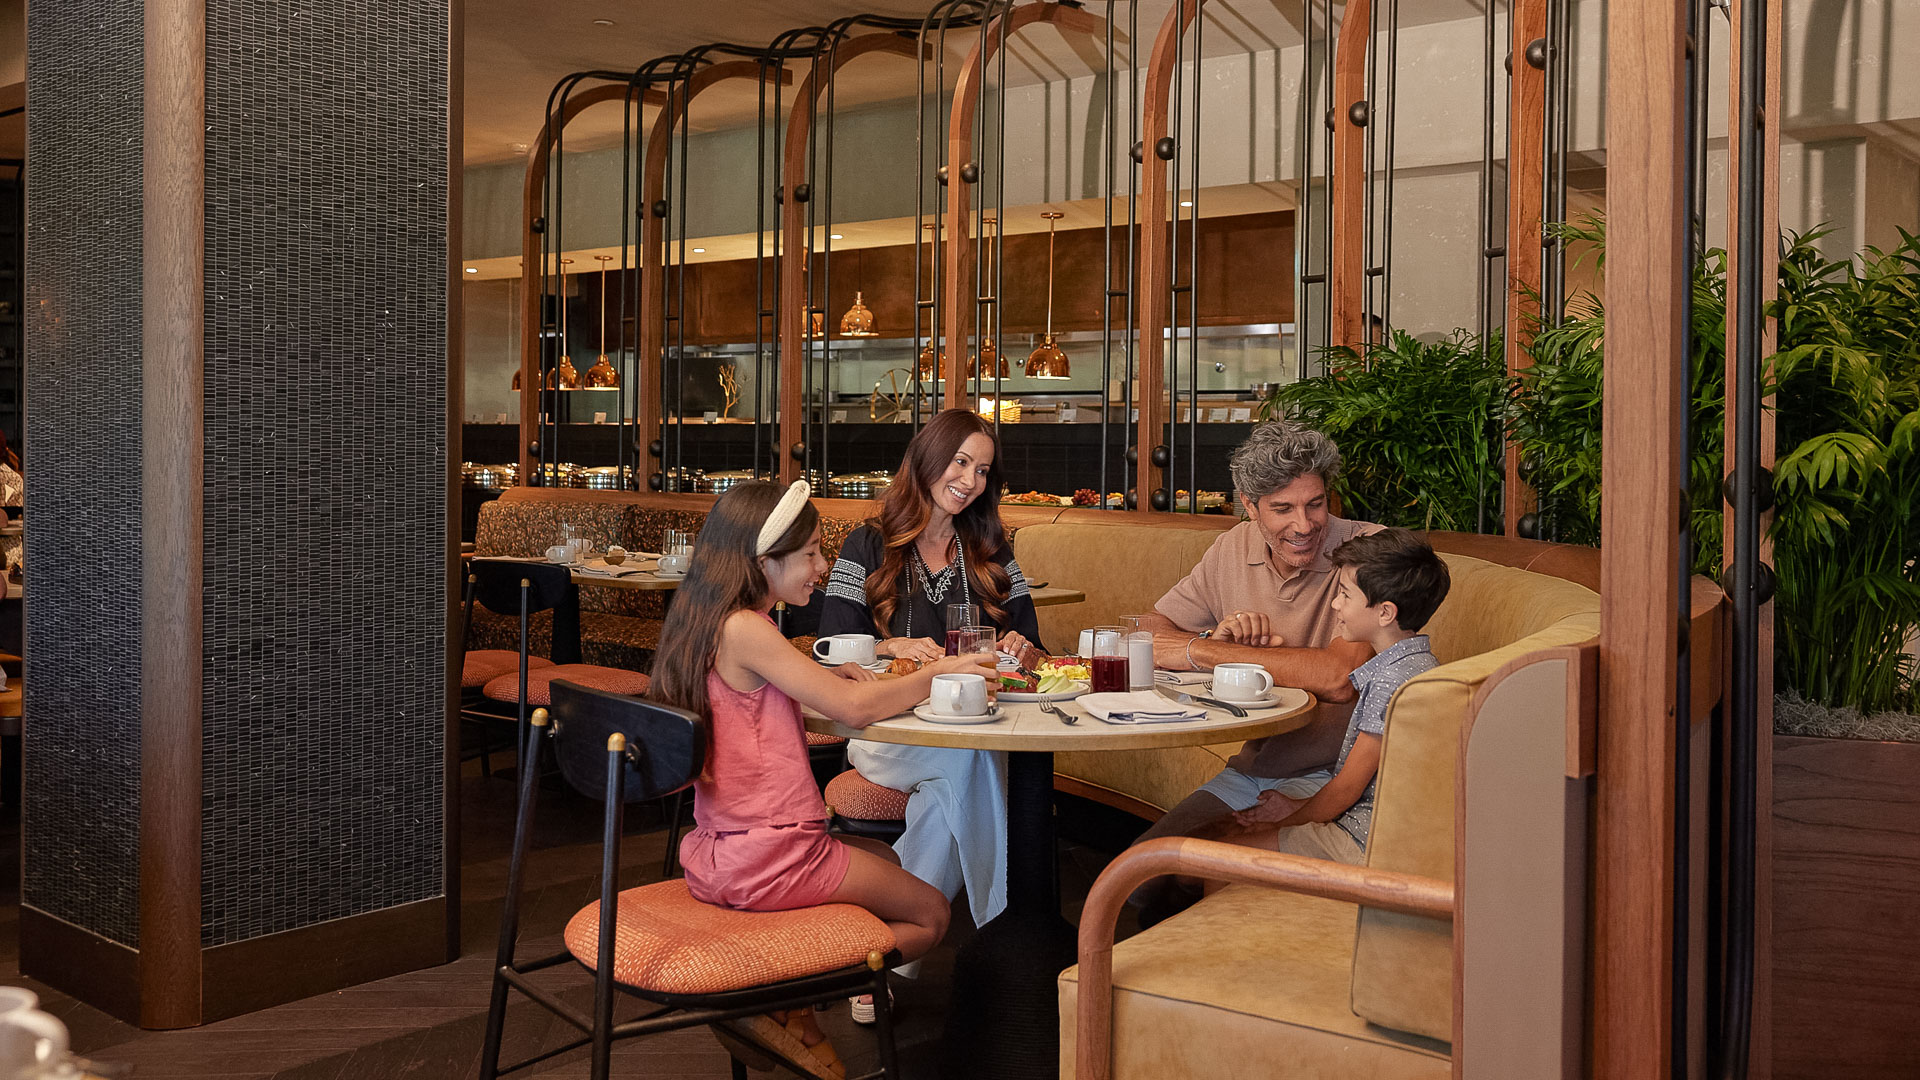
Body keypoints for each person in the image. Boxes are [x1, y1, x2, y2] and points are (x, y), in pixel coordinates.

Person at [648, 479, 996, 1078]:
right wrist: (949, 668)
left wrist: (846, 680)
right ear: (763, 562)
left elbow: (793, 695)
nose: (823, 565)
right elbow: (852, 713)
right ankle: (777, 992)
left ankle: (797, 1014)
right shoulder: (747, 628)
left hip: (721, 850)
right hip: (775, 854)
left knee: (887, 865)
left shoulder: (706, 623)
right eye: (809, 552)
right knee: (931, 915)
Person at [1127, 419, 1382, 924]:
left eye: (1316, 504)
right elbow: (1153, 630)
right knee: (1139, 881)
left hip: (1339, 778)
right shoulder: (1232, 546)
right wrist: (1212, 639)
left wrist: (1208, 653)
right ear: (1248, 505)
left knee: (1196, 873)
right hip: (1256, 768)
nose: (1305, 525)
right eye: (1282, 509)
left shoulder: (1369, 554)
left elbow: (1337, 675)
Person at [816, 409, 1042, 952]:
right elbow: (831, 647)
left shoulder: (993, 550)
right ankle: (1001, 934)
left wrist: (1021, 648)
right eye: (960, 462)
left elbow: (1036, 648)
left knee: (947, 798)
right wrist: (890, 644)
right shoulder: (867, 545)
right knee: (970, 761)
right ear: (927, 460)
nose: (969, 481)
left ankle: (883, 958)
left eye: (983, 471)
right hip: (887, 731)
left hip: (975, 727)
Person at [1200, 528, 1449, 865]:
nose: (1336, 603)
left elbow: (1347, 790)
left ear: (1385, 613)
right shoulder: (1416, 665)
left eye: (1345, 594)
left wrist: (1281, 824)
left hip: (1366, 842)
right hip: (1370, 828)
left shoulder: (1393, 681)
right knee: (1227, 838)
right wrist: (1295, 808)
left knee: (1219, 857)